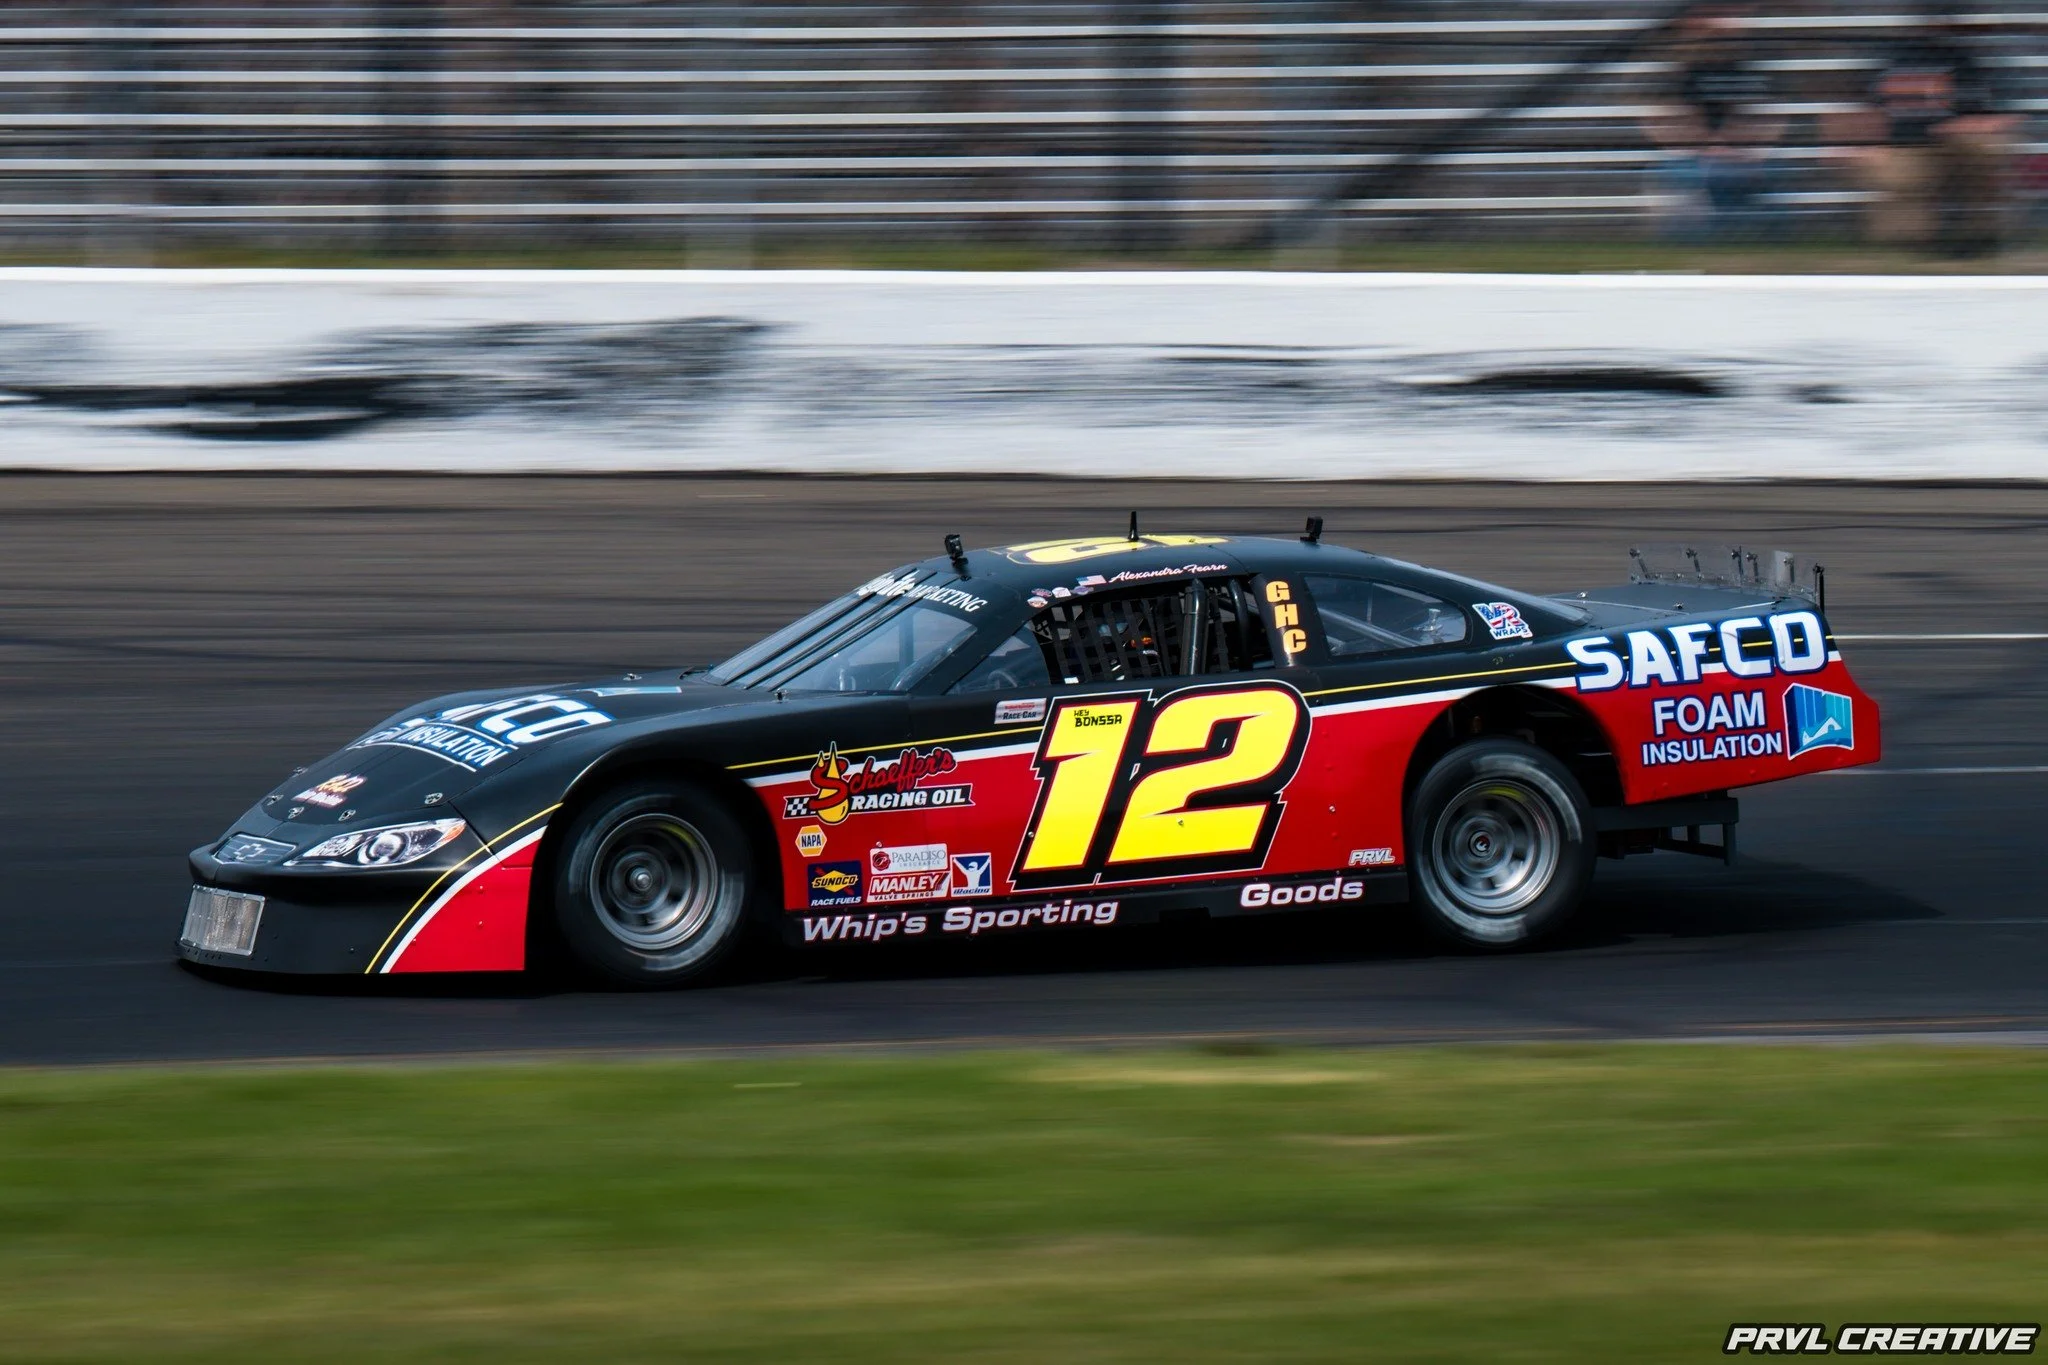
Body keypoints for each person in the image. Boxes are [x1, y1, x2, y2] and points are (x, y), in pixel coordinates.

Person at [1841, 6, 2019, 256]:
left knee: (1978, 150)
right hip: (1902, 146)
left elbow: (1997, 115)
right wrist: (1866, 142)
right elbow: (1864, 107)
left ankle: (1975, 238)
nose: (1930, 27)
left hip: (1953, 144)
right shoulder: (1890, 58)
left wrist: (1963, 128)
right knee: (1897, 172)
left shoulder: (1965, 61)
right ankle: (1912, 243)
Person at [1644, 4, 1785, 242]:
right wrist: (1704, 147)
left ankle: (1757, 241)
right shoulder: (1669, 73)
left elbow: (1770, 117)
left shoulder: (1752, 68)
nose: (1713, 32)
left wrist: (1734, 146)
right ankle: (1691, 245)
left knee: (1764, 174)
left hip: (1745, 153)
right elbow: (1658, 119)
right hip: (1686, 155)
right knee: (1687, 175)